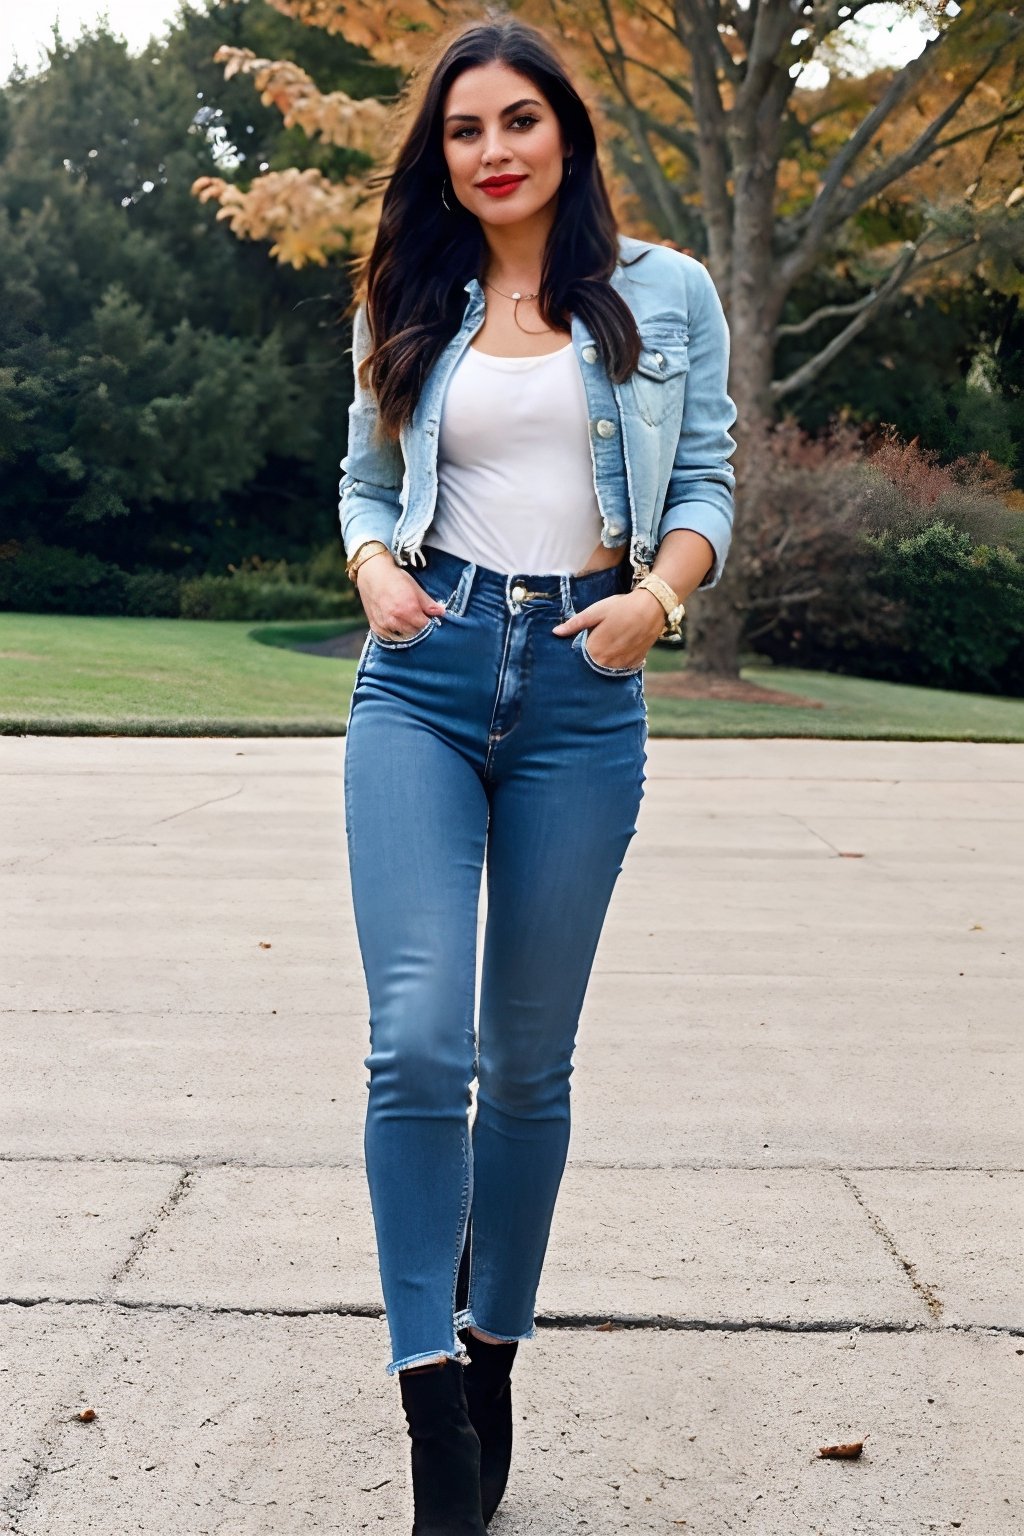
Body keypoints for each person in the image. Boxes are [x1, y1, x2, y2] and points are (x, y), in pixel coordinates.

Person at [338, 15, 737, 1533]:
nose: (491, 149)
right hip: (423, 679)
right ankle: (432, 1401)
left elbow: (704, 475)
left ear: (564, 131)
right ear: (439, 156)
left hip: (585, 683)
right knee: (417, 1044)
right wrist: (374, 561)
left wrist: (659, 598)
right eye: (462, 130)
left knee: (528, 1064)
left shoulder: (666, 292)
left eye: (517, 121)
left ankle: (494, 1341)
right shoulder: (407, 291)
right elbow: (366, 482)